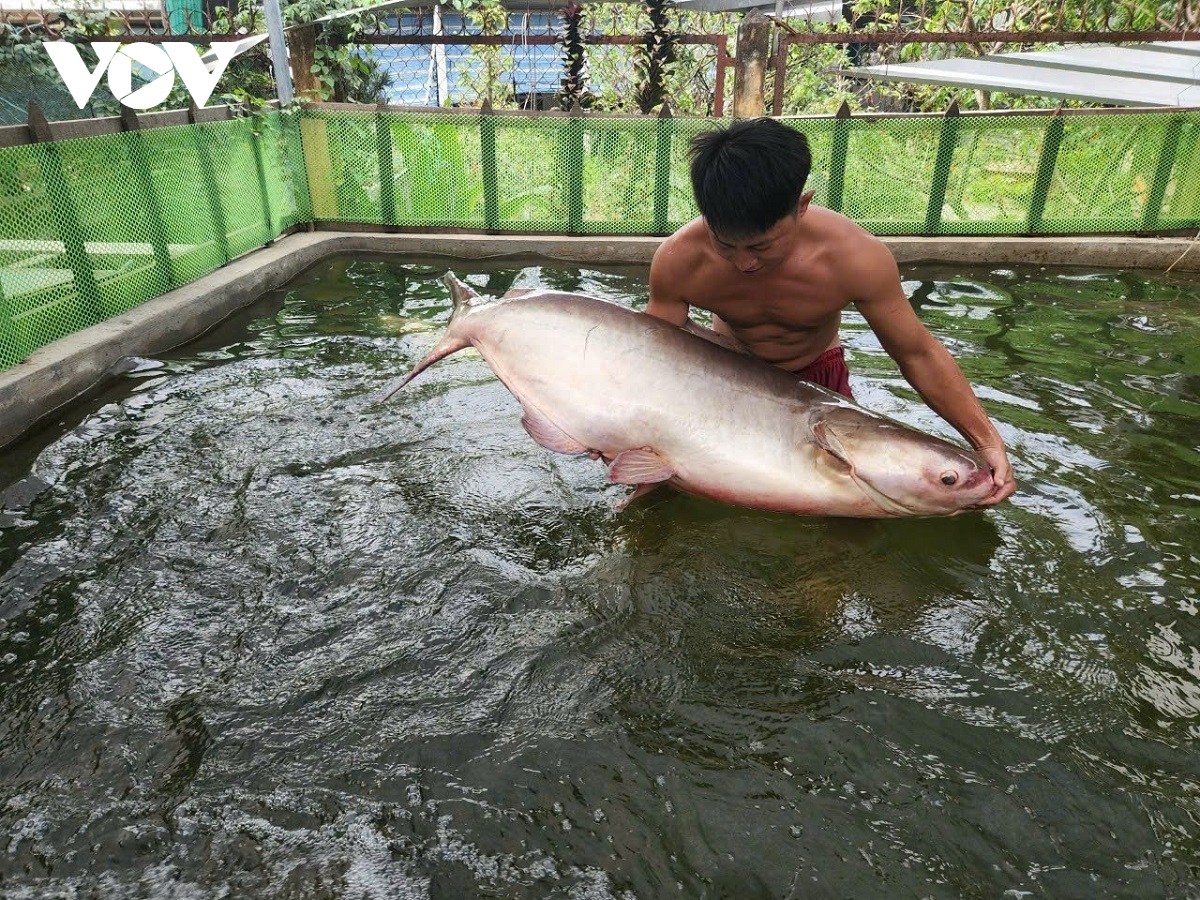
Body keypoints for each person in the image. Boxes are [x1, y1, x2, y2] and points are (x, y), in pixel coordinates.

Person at [647, 117, 1016, 507]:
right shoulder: (679, 259)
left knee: (850, 515)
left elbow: (916, 353)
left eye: (760, 247)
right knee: (668, 495)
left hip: (819, 383)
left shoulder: (854, 258)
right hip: (726, 378)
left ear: (801, 206)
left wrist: (986, 441)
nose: (744, 264)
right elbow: (653, 356)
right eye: (725, 245)